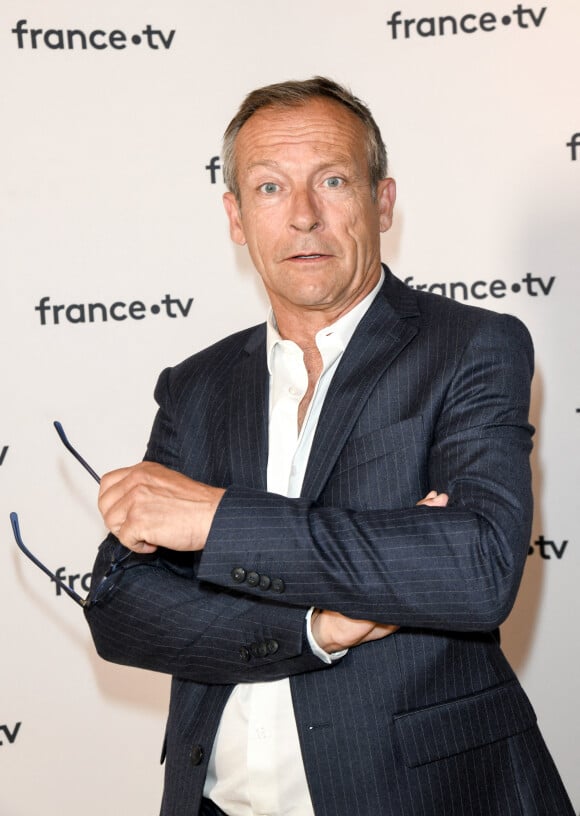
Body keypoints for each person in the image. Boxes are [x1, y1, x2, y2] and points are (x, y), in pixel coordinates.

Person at [85, 77, 574, 816]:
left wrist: (214, 521)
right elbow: (121, 606)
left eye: (334, 181)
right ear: (237, 218)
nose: (304, 216)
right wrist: (315, 627)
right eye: (271, 187)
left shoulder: (472, 346)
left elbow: (473, 568)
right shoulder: (196, 385)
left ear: (381, 201)